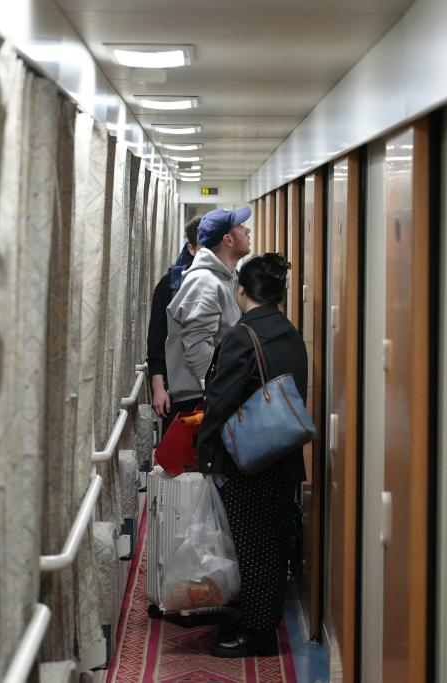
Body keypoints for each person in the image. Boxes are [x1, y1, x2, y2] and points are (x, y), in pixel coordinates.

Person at [195, 252, 308, 658]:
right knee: (271, 543)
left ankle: (258, 633)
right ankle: (260, 619)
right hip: (283, 453)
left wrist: (205, 452)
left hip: (248, 459)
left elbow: (220, 400)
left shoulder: (243, 336)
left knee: (252, 546)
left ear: (240, 290)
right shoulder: (290, 333)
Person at [163, 207, 252, 427]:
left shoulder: (224, 279)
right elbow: (198, 353)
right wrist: (223, 393)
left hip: (212, 395)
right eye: (241, 227)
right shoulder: (205, 282)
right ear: (228, 240)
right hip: (200, 401)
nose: (247, 231)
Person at [146, 216, 202, 422]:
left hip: (221, 394)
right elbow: (156, 342)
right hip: (180, 393)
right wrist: (158, 388)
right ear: (191, 249)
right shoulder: (171, 285)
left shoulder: (233, 283)